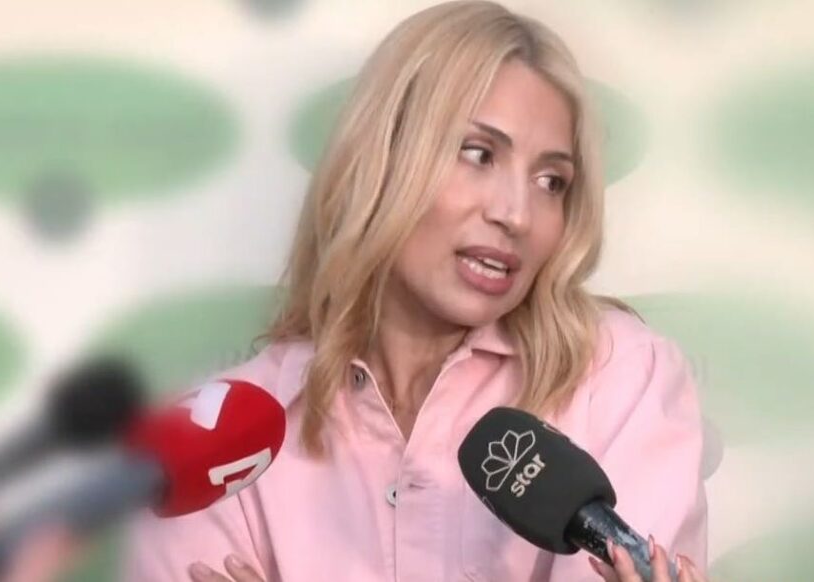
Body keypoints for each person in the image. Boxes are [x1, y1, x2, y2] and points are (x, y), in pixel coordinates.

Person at [127, 1, 710, 580]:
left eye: (551, 181)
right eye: (478, 154)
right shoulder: (215, 440)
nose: (516, 214)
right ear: (381, 158)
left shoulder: (622, 376)